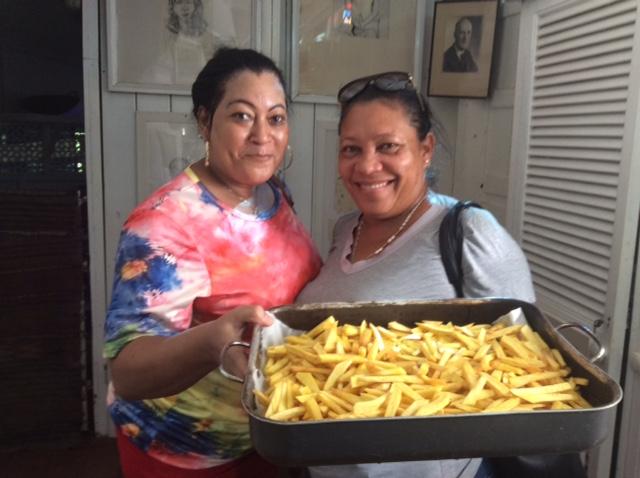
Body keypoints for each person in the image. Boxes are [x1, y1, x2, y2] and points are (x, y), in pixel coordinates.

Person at [296, 71, 536, 478]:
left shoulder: (469, 232)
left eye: (388, 146)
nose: (367, 165)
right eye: (351, 149)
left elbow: (526, 367)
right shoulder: (345, 228)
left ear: (425, 149)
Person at [104, 47, 322, 478]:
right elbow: (127, 370)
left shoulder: (271, 193)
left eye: (275, 118)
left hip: (262, 432)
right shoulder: (164, 223)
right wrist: (211, 343)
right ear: (205, 121)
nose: (263, 135)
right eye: (242, 116)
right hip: (186, 449)